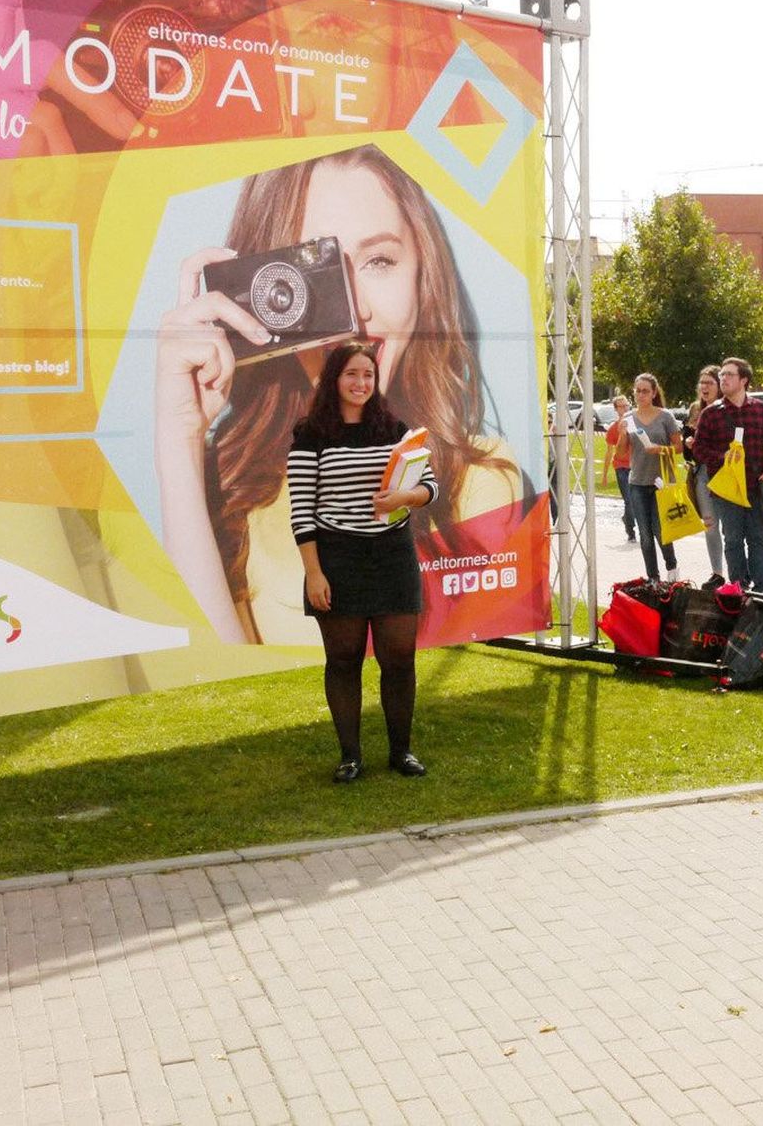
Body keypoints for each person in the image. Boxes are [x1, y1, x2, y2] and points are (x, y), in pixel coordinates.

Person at [153, 144, 521, 647]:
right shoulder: (234, 491)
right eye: (315, 274)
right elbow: (214, 683)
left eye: (378, 261)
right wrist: (179, 434)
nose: (354, 314)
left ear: (422, 276)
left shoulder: (477, 482)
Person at [289, 342, 433, 783]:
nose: (361, 383)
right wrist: (315, 573)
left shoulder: (394, 429)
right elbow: (301, 512)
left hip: (393, 555)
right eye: (352, 374)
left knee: (399, 659)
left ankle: (401, 751)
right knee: (345, 660)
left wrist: (405, 497)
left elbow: (429, 486)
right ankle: (350, 756)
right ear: (334, 380)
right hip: (337, 560)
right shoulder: (310, 434)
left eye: (368, 375)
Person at [692, 358, 763, 592]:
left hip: (755, 485)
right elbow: (699, 449)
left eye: (729, 375)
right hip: (726, 489)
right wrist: (722, 458)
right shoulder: (711, 413)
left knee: (757, 537)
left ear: (744, 380)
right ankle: (738, 586)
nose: (723, 379)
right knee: (732, 539)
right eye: (722, 375)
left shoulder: (760, 409)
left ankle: (762, 584)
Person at [622, 373, 682, 583]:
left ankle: (672, 566)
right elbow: (622, 451)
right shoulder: (629, 418)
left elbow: (679, 447)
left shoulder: (665, 416)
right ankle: (653, 577)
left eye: (645, 391)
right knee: (645, 535)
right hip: (637, 482)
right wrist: (622, 433)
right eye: (637, 391)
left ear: (654, 393)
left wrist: (661, 449)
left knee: (660, 530)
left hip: (661, 483)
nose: (640, 395)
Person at [683, 365, 725, 578]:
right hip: (702, 473)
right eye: (702, 383)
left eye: (709, 383)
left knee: (732, 527)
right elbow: (686, 449)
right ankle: (717, 572)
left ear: (720, 386)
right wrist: (689, 443)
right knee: (709, 524)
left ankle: (739, 574)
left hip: (725, 473)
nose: (704, 387)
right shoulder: (695, 410)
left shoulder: (726, 410)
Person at [602, 395, 638, 543]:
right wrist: (604, 475)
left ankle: (628, 520)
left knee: (636, 501)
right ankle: (631, 531)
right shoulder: (612, 429)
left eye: (626, 405)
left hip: (636, 466)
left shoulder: (635, 423)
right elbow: (609, 452)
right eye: (621, 406)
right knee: (629, 500)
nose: (625, 408)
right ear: (616, 409)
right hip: (621, 467)